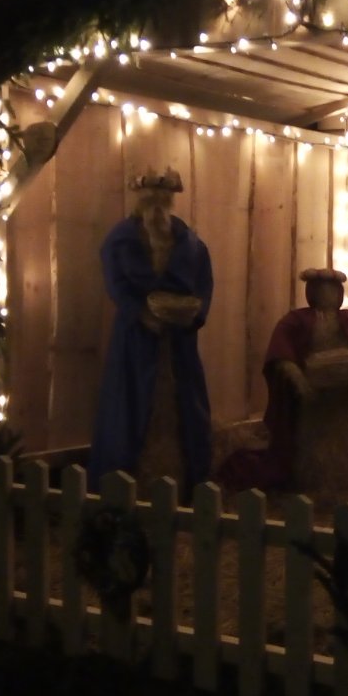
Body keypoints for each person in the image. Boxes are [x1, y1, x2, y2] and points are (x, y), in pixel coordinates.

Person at [90, 166, 214, 492]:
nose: (157, 210)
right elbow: (117, 285)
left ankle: (181, 479)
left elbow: (203, 285)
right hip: (135, 342)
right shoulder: (121, 240)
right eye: (150, 202)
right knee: (129, 406)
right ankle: (129, 481)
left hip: (178, 345)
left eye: (163, 202)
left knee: (183, 407)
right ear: (140, 203)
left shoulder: (189, 243)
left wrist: (192, 315)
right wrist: (140, 313)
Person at [218, 268, 348, 492]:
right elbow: (281, 351)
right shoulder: (297, 320)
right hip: (313, 401)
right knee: (313, 443)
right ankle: (311, 481)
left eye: (332, 290)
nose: (327, 296)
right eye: (322, 290)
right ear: (312, 292)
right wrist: (300, 380)